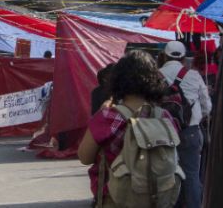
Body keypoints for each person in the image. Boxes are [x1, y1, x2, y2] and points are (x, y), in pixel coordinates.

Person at [78, 50, 175, 207]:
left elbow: (85, 157)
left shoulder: (108, 117)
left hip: (116, 198)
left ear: (117, 80)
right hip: (156, 199)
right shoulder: (164, 117)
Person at [159, 40, 212, 208]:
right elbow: (207, 106)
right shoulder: (194, 75)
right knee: (191, 177)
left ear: (164, 56)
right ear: (183, 58)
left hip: (162, 133)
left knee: (166, 176)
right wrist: (197, 117)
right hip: (190, 131)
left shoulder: (155, 75)